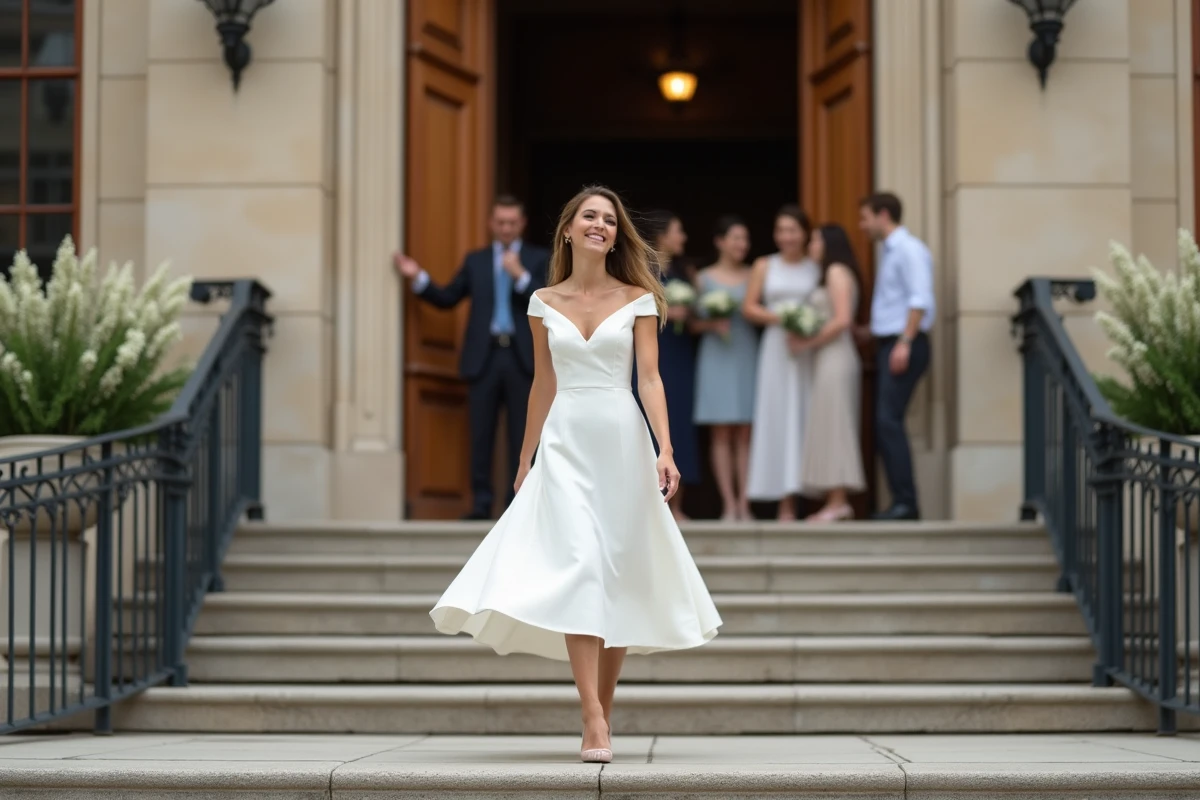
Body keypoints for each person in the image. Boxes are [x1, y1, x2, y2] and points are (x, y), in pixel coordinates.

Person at [429, 185, 722, 764]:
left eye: (609, 220)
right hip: (565, 444)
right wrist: (525, 459)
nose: (600, 225)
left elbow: (650, 379)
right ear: (567, 230)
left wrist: (665, 449)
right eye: (590, 216)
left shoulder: (640, 298)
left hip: (622, 442)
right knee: (581, 566)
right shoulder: (541, 302)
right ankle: (591, 714)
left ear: (616, 236)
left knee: (617, 576)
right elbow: (543, 384)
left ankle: (602, 714)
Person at [394, 196, 550, 520]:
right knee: (480, 434)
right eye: (500, 222)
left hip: (522, 360)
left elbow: (549, 303)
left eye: (512, 223)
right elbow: (448, 297)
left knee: (523, 434)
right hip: (484, 359)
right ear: (491, 224)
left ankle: (518, 505)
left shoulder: (538, 259)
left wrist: (520, 276)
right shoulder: (475, 261)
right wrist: (418, 277)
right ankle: (481, 503)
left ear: (521, 224)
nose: (506, 228)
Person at [742, 205, 821, 521]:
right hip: (776, 348)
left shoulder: (816, 266)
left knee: (805, 416)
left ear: (805, 233)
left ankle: (806, 495)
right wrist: (784, 318)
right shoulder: (764, 264)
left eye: (792, 230)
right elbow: (749, 307)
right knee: (777, 418)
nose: (786, 236)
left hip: (806, 350)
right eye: (781, 230)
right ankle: (783, 502)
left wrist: (807, 324)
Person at [858, 192, 934, 521]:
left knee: (888, 421)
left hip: (904, 343)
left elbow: (920, 299)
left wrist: (904, 341)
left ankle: (906, 504)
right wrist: (870, 332)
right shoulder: (891, 251)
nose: (862, 225)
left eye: (865, 218)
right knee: (886, 421)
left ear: (883, 215)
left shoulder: (908, 249)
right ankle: (902, 502)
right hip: (892, 341)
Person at [791, 224, 867, 520]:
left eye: (815, 240)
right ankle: (835, 501)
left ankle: (838, 501)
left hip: (836, 357)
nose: (811, 245)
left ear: (828, 243)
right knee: (832, 424)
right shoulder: (834, 273)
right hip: (829, 358)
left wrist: (806, 343)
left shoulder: (835, 271)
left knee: (837, 426)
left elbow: (843, 320)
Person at [633, 210, 701, 521]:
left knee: (679, 424)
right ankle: (648, 504)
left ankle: (677, 504)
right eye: (678, 231)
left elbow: (698, 314)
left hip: (681, 353)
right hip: (652, 352)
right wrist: (668, 313)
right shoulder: (639, 269)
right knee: (647, 422)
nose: (683, 238)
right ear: (662, 235)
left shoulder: (686, 271)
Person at [692, 216, 758, 521]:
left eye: (745, 239)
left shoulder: (755, 273)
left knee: (745, 432)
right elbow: (690, 323)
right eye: (736, 238)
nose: (742, 244)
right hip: (715, 355)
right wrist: (710, 324)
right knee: (720, 433)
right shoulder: (702, 278)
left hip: (746, 352)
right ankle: (728, 504)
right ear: (720, 242)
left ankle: (745, 502)